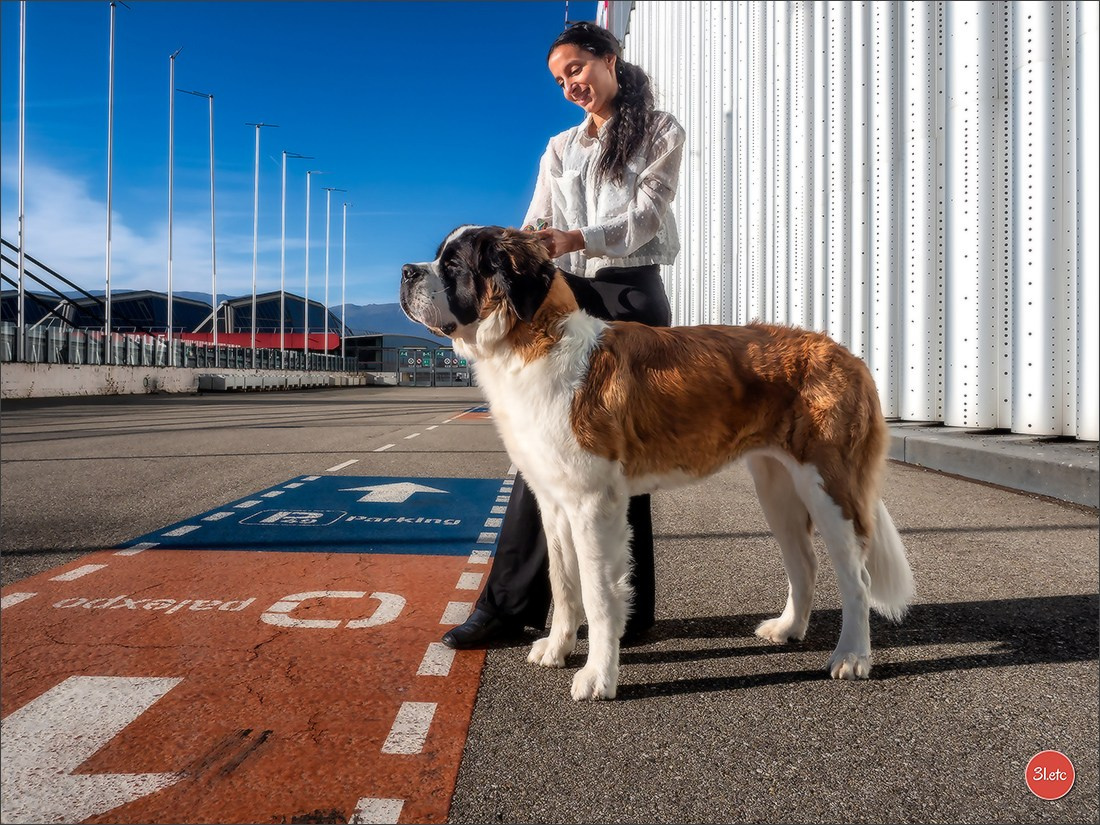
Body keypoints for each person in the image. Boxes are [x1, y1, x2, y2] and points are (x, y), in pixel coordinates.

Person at [442, 21, 685, 649]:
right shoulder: (558, 147)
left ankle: (628, 614)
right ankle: (511, 602)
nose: (570, 85)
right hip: (570, 295)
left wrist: (578, 238)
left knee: (624, 459)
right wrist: (513, 249)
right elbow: (534, 222)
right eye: (559, 79)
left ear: (609, 58)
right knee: (543, 457)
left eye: (576, 69)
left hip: (632, 296)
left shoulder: (660, 130)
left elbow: (649, 215)